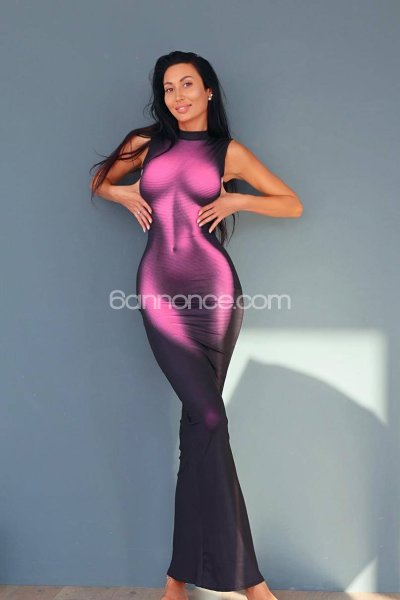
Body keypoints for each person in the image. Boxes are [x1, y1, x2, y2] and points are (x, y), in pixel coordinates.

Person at [90, 50, 303, 600]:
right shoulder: (146, 143)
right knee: (210, 418)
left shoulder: (227, 152)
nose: (178, 96)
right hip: (160, 292)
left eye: (187, 84)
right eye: (168, 88)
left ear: (208, 90)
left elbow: (292, 204)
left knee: (198, 431)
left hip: (216, 296)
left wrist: (236, 201)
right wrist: (121, 191)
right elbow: (101, 181)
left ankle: (175, 580)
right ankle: (251, 582)